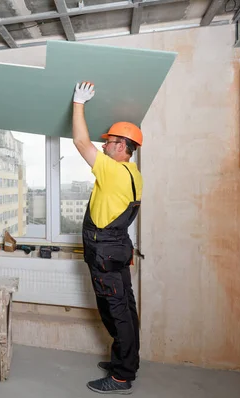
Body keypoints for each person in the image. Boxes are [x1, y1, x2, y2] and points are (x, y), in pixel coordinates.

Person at [72, 81, 143, 394]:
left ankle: (122, 376)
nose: (103, 146)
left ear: (121, 146)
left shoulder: (114, 171)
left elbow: (80, 141)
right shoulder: (133, 173)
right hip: (116, 250)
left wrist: (78, 103)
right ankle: (125, 362)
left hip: (106, 253)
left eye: (109, 141)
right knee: (125, 309)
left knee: (116, 313)